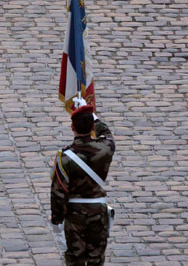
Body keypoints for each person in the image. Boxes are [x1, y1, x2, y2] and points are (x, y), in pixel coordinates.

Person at [51, 103, 115, 265]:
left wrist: (57, 220)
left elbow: (58, 191)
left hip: (75, 214)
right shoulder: (105, 149)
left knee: (75, 258)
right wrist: (95, 118)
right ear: (93, 127)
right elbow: (107, 133)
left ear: (72, 127)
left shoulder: (65, 157)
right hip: (98, 211)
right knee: (96, 258)